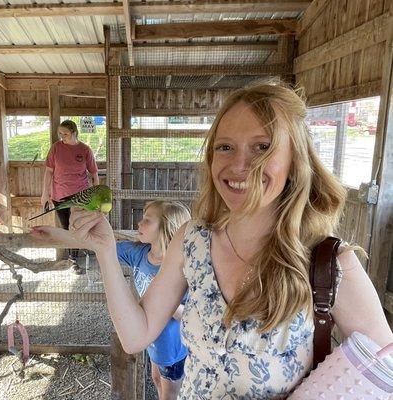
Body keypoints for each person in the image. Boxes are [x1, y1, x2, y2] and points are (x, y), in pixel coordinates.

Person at [32, 82, 393, 398]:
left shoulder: (329, 265)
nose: (239, 165)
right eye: (225, 147)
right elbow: (136, 335)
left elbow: (383, 379)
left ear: (295, 161)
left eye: (262, 147)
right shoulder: (193, 240)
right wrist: (106, 251)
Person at [117, 201, 190, 399]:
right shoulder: (140, 254)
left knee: (170, 393)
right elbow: (108, 248)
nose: (139, 223)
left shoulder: (183, 270)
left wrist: (167, 304)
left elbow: (191, 316)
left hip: (173, 347)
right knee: (156, 379)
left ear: (166, 228)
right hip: (152, 340)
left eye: (147, 220)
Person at [41, 119, 99, 274]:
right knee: (66, 227)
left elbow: (94, 173)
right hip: (59, 196)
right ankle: (73, 260)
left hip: (79, 197)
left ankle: (78, 255)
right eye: (60, 133)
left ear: (74, 132)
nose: (62, 137)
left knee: (77, 226)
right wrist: (45, 194)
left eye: (65, 133)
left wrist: (96, 194)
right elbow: (48, 172)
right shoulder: (56, 148)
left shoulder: (84, 150)